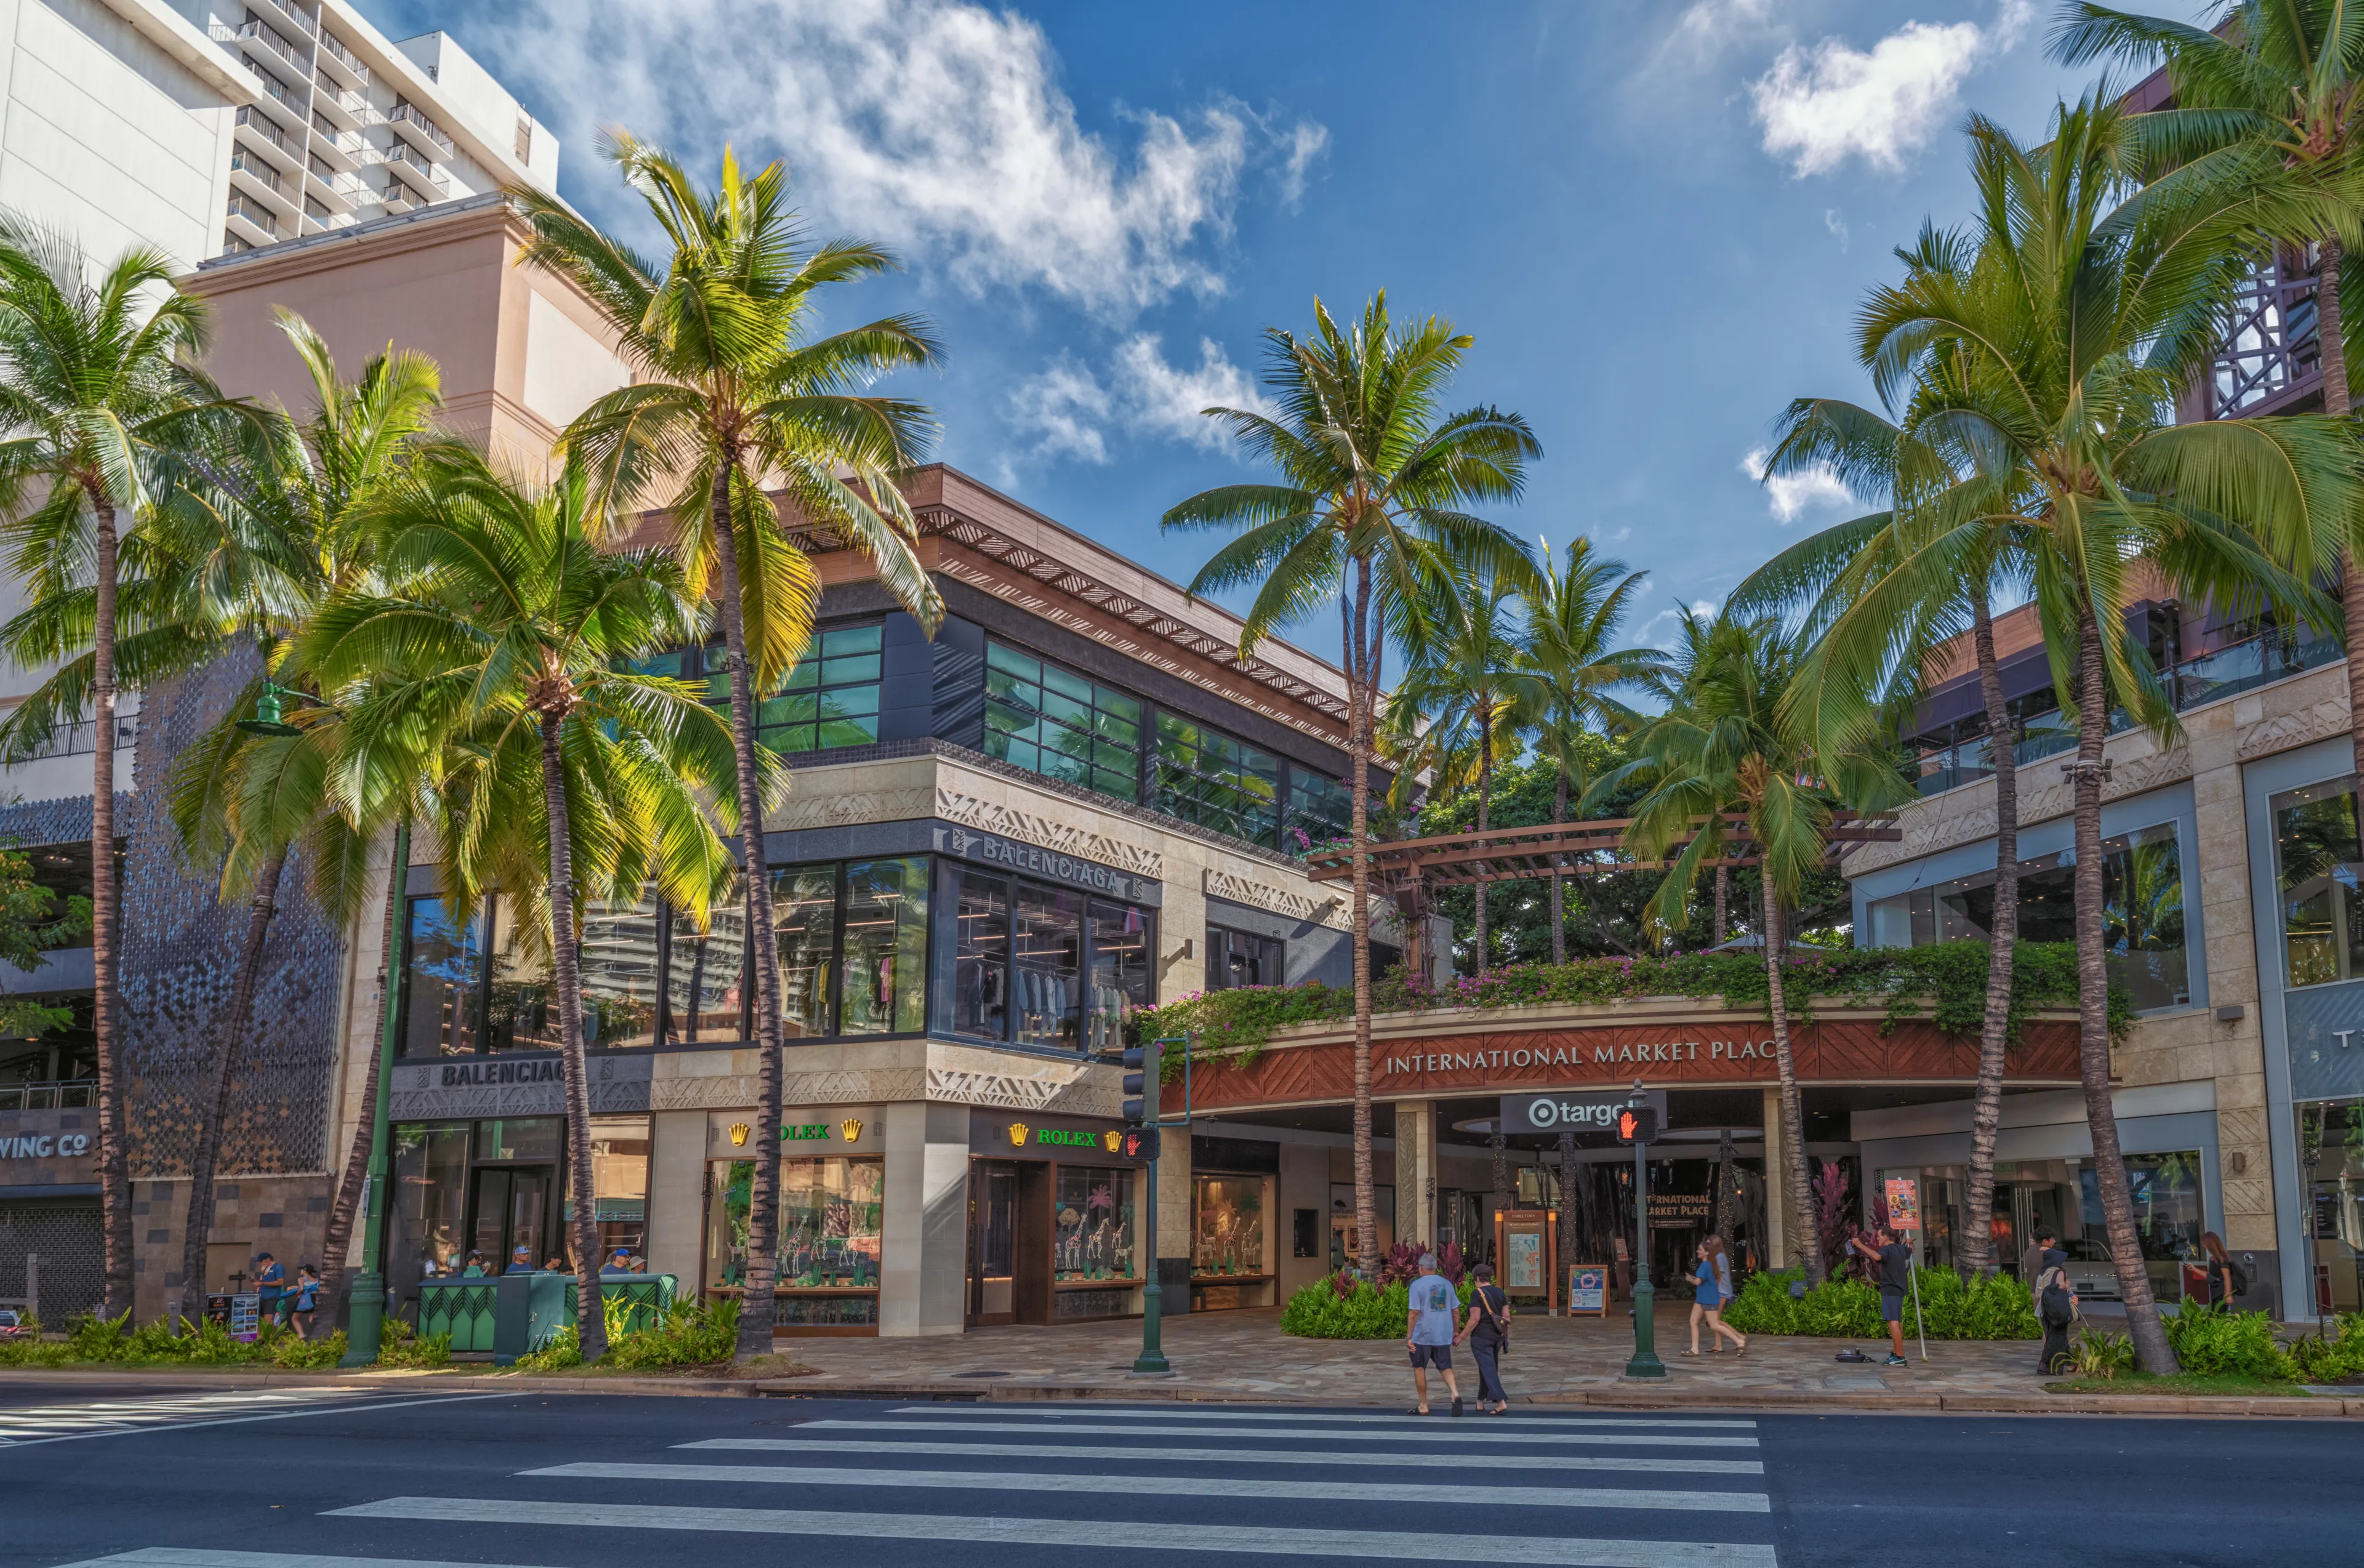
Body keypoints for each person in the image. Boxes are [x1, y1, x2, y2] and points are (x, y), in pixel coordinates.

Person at [1404, 1252, 1463, 1417]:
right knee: (1445, 1366)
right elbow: (1456, 1310)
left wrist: (1409, 1337)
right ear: (1436, 1269)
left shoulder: (1417, 1285)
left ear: (1421, 1268)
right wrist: (1456, 1331)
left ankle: (1423, 1405)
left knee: (1419, 1367)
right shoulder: (1447, 1284)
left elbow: (1414, 1312)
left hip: (1422, 1335)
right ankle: (1455, 1393)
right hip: (1442, 1334)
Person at [1848, 1227, 1912, 1367]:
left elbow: (1877, 1257)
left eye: (1879, 1236)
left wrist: (1859, 1245)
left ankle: (1900, 1356)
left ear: (1886, 1237)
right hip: (1900, 1289)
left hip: (1890, 1289)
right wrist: (1910, 1243)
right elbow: (1911, 1251)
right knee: (1898, 1322)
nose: (1877, 1239)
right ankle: (1896, 1354)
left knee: (1892, 1322)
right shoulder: (1901, 1249)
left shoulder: (1886, 1250)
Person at [1457, 1262, 1511, 1413]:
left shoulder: (1477, 1294)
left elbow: (1474, 1319)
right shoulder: (1500, 1292)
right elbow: (1506, 1317)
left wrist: (1460, 1337)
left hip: (1481, 1338)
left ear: (1478, 1278)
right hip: (1497, 1337)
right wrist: (1506, 1336)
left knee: (1488, 1369)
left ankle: (1500, 1402)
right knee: (1487, 1368)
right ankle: (1480, 1401)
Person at [2031, 1232, 2077, 1375]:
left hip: (2044, 1309)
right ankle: (2046, 1366)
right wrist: (2068, 1286)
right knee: (2056, 1337)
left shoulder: (2042, 1273)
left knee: (2056, 1336)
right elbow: (2061, 1288)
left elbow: (2039, 1292)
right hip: (2058, 1310)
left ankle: (2071, 1365)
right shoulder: (2058, 1272)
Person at [2198, 1231, 2241, 1306]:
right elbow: (2209, 1275)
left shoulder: (2221, 1258)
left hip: (2221, 1293)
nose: (2203, 1246)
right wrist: (2194, 1269)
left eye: (2205, 1243)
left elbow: (2227, 1276)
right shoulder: (2213, 1259)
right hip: (2216, 1293)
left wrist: (2228, 1293)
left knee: (2218, 1315)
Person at [251, 1252, 286, 1329]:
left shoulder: (278, 1268)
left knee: (268, 1318)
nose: (260, 1263)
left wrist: (263, 1284)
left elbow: (280, 1282)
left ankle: (269, 1339)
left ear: (268, 1259)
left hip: (272, 1296)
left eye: (261, 1261)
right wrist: (258, 1283)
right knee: (258, 1318)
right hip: (262, 1296)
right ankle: (259, 1338)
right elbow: (264, 1282)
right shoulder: (266, 1269)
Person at [289, 1265, 321, 1341]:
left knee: (295, 1318)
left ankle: (301, 1334)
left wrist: (296, 1294)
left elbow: (301, 1289)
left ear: (305, 1271)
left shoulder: (301, 1279)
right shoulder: (316, 1279)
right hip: (314, 1298)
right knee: (311, 1316)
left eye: (302, 1270)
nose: (301, 1271)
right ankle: (316, 1332)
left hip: (304, 1298)